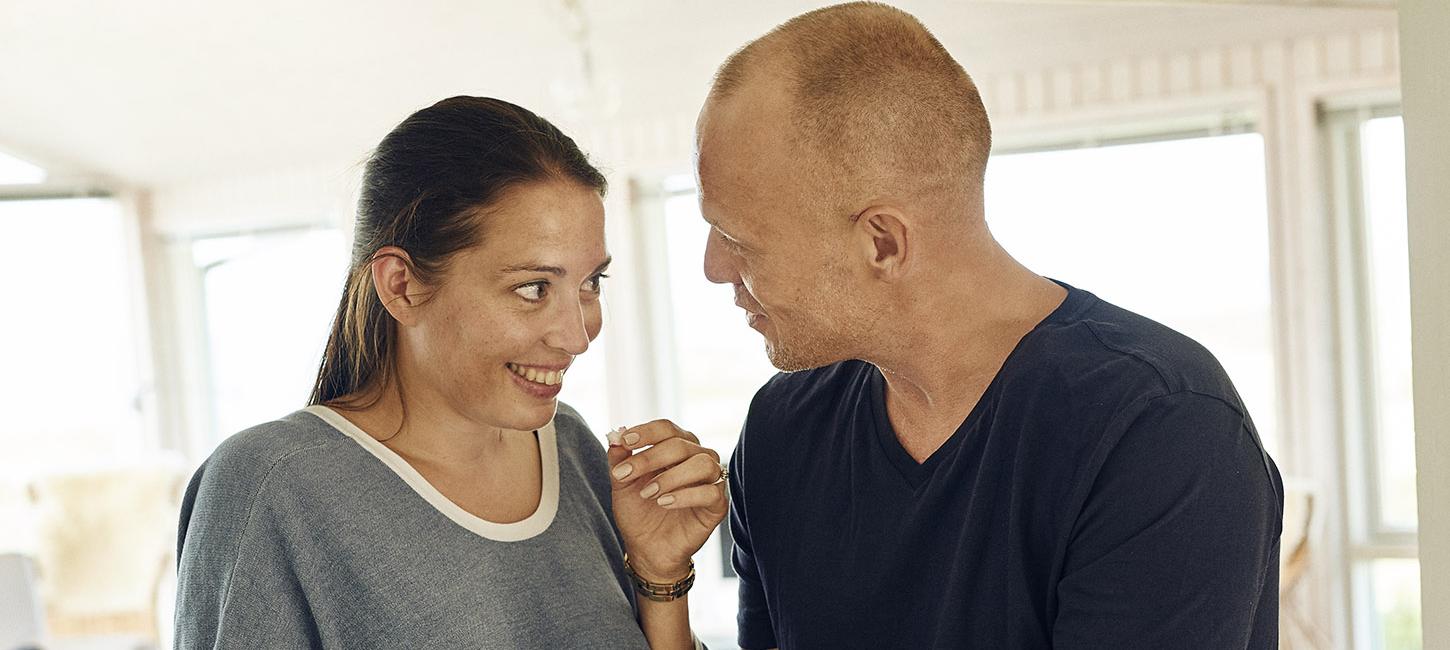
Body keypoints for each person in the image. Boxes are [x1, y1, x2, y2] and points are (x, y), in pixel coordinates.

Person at [694, 3, 1284, 648]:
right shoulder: (783, 431)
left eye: (736, 238)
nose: (713, 269)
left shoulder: (1158, 426)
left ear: (883, 243)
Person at [174, 96, 727, 649]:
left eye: (590, 284)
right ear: (402, 285)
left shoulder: (575, 452)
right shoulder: (270, 487)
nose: (578, 335)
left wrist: (659, 576)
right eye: (533, 288)